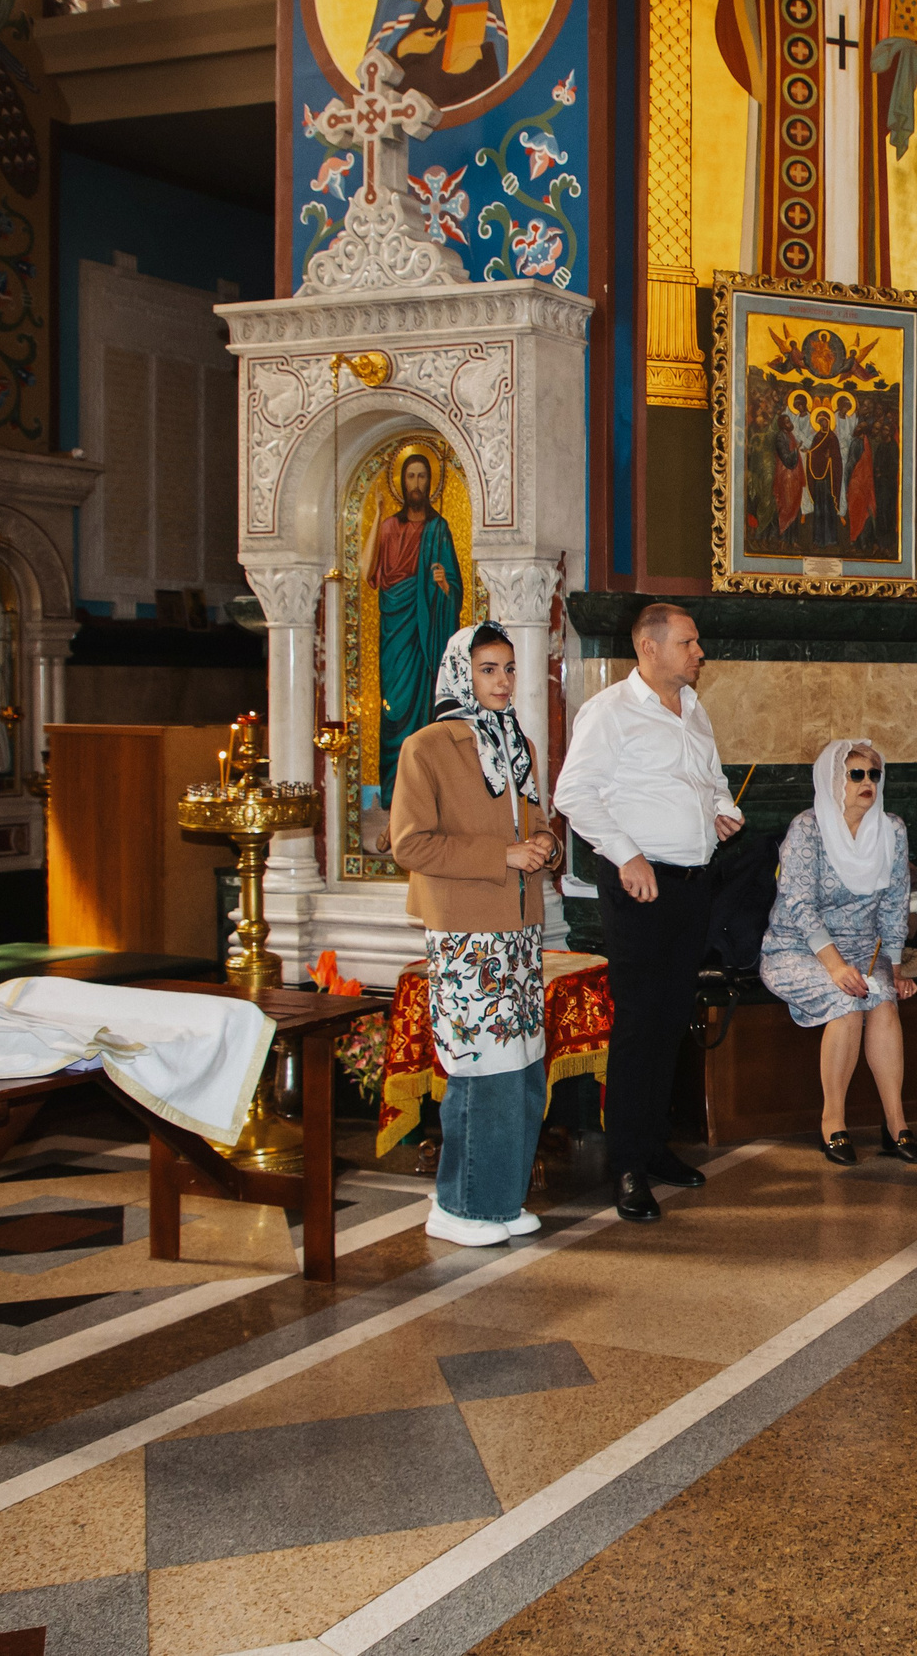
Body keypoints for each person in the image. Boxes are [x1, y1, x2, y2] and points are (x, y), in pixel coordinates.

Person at [553, 603, 744, 1224]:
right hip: (639, 882)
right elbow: (573, 794)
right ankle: (627, 1164)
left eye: (697, 642)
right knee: (639, 1021)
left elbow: (710, 779)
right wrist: (628, 856)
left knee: (670, 1018)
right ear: (649, 647)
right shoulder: (610, 711)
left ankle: (654, 1145)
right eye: (688, 643)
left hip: (691, 882)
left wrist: (720, 810)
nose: (699, 652)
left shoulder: (692, 707)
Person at [390, 624, 561, 1247]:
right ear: (462, 674)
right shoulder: (427, 747)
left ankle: (501, 1200)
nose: (504, 682)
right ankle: (459, 1206)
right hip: (464, 934)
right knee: (477, 1070)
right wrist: (504, 855)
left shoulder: (518, 744)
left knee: (520, 1070)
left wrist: (545, 842)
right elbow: (410, 843)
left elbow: (538, 822)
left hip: (517, 933)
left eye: (510, 669)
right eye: (489, 669)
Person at [760, 740, 917, 1166]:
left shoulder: (893, 830)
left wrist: (894, 966)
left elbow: (893, 906)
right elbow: (797, 904)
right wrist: (833, 966)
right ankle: (833, 1122)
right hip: (797, 949)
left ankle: (896, 1125)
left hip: (863, 951)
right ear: (834, 780)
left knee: (885, 1002)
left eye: (874, 775)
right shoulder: (808, 828)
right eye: (856, 774)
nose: (867, 782)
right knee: (847, 1003)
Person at [363, 446, 465, 807]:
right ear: (402, 483)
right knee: (394, 710)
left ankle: (424, 793)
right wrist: (375, 515)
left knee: (425, 709)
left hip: (426, 638)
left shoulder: (439, 529)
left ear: (431, 482)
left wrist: (443, 586)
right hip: (396, 633)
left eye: (423, 476)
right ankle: (393, 794)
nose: (417, 483)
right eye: (411, 476)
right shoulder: (390, 527)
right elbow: (366, 573)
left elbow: (454, 588)